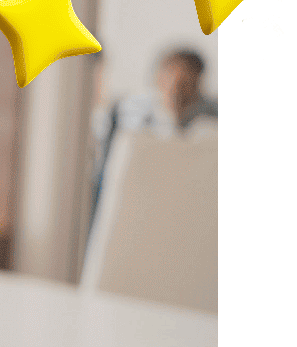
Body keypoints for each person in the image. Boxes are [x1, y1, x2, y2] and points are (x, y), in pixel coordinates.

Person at [89, 48, 219, 232]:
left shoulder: (213, 120)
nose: (177, 93)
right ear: (158, 79)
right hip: (135, 209)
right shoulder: (125, 113)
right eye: (171, 81)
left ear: (199, 84)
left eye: (186, 84)